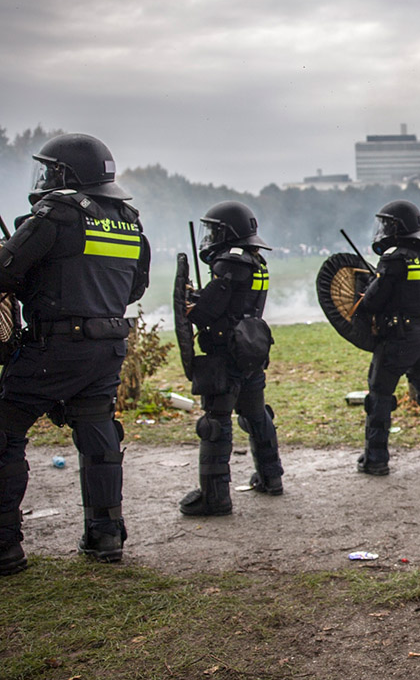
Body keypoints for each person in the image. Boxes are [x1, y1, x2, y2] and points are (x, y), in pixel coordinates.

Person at [0, 134, 150, 573]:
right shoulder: (128, 219)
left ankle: (5, 547)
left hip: (56, 346)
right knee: (98, 434)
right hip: (107, 347)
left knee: (5, 430)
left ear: (66, 174)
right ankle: (105, 537)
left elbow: (8, 271)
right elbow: (134, 288)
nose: (45, 177)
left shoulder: (56, 212)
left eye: (50, 169)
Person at [178, 201, 285, 516]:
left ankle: (214, 497)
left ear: (227, 232)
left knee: (215, 423)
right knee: (256, 416)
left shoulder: (231, 261)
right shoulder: (256, 261)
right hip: (251, 351)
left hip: (225, 356)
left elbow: (208, 311)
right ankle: (271, 477)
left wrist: (190, 304)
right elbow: (233, 301)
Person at [355, 200, 420, 475]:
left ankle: (376, 459)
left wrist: (368, 286)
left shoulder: (395, 259)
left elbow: (372, 302)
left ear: (398, 227)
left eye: (388, 224)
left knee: (380, 395)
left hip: (399, 337)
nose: (384, 229)